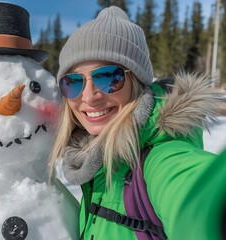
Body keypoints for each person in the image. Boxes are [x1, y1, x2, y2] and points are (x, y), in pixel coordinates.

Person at [48, 6, 226, 240]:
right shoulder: (93, 160)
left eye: (108, 77)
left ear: (137, 82)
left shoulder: (160, 158)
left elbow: (196, 196)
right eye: (73, 82)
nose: (89, 96)